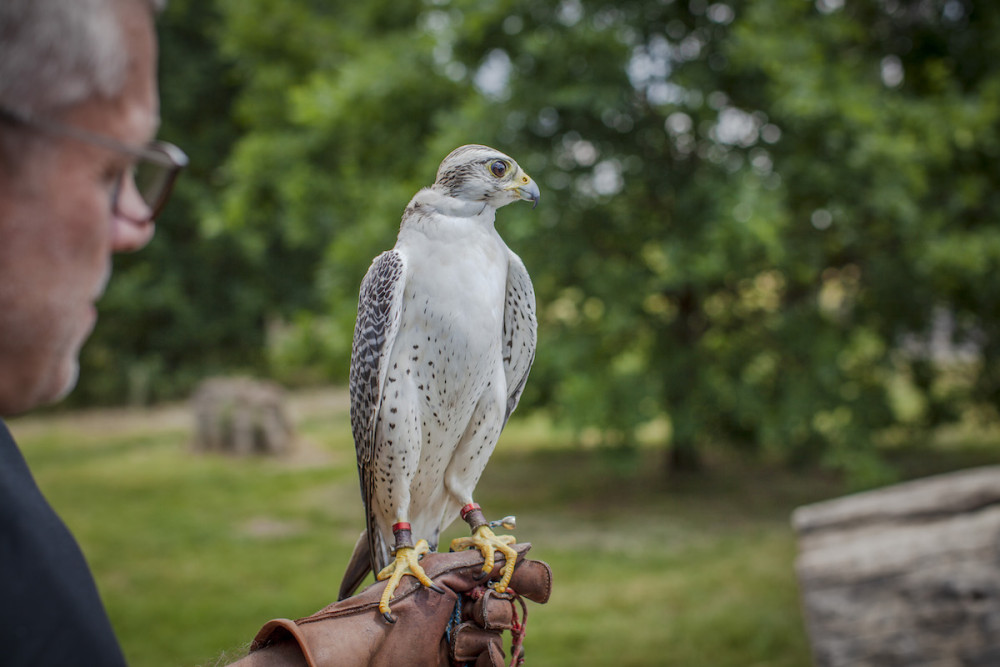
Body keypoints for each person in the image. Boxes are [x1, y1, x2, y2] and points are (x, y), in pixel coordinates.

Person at [0, 1, 549, 665]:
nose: (139, 223)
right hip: (397, 497)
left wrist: (307, 660)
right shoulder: (399, 267)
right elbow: (381, 413)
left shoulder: (14, 505)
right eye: (109, 170)